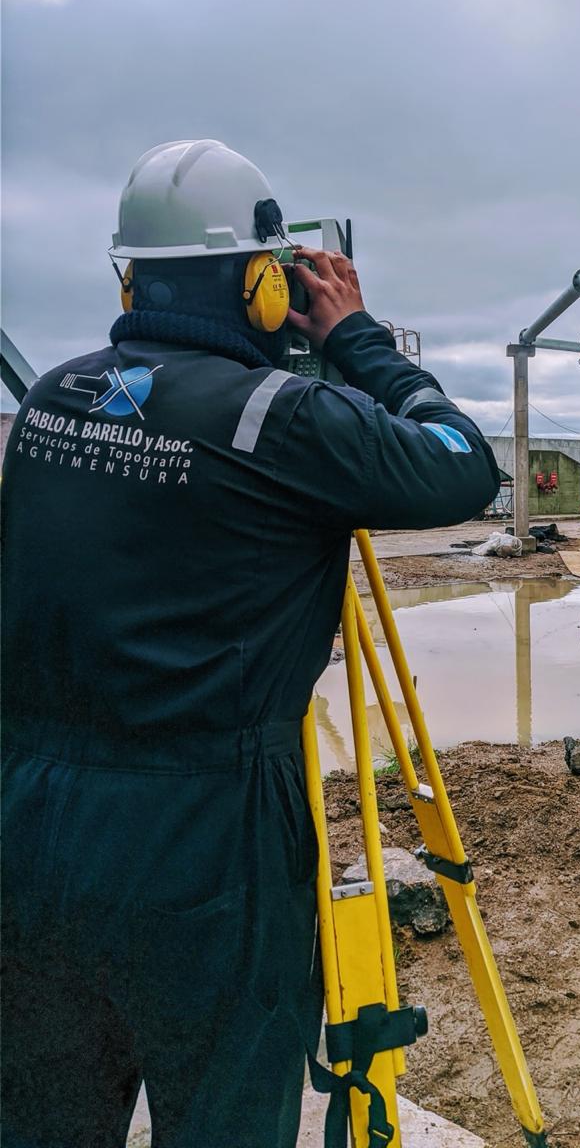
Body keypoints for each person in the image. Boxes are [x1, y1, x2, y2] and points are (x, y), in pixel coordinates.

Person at [0, 139, 500, 1148]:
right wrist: (357, 335)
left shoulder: (49, 400)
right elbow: (462, 466)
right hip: (206, 836)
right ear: (263, 286)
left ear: (129, 274)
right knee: (229, 1110)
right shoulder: (285, 418)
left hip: (26, 821)